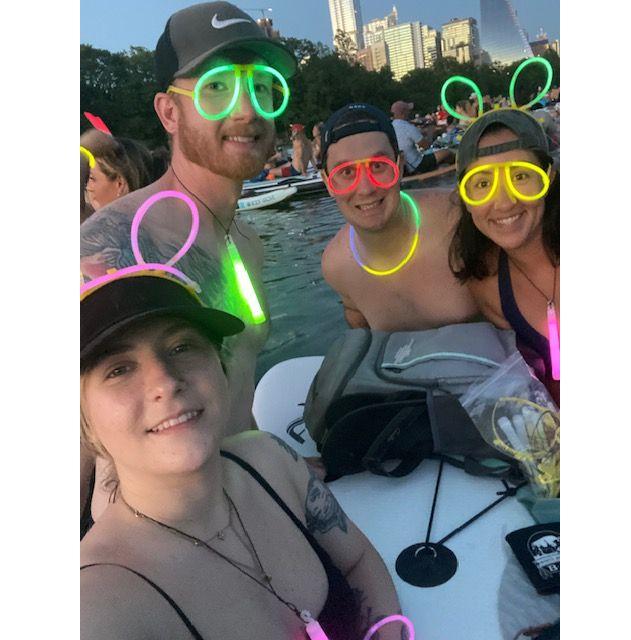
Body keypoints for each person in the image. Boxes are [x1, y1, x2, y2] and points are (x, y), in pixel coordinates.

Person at [80, 272, 405, 640]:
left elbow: (358, 561)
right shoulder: (97, 602)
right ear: (85, 420)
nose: (165, 382)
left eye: (181, 347)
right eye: (118, 370)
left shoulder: (269, 459)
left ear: (220, 367)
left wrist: (388, 630)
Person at [80, 1, 297, 519]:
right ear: (169, 112)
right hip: (160, 536)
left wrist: (275, 469)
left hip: (246, 497)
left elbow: (232, 390)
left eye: (261, 86)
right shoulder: (114, 243)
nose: (246, 109)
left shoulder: (245, 237)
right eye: (217, 87)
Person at [320, 103, 479, 331]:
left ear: (400, 166)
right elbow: (360, 330)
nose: (365, 188)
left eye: (378, 166)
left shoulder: (460, 219)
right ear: (327, 182)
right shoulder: (336, 265)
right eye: (346, 172)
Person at [448, 109, 560, 404]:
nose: (505, 201)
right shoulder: (489, 286)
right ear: (465, 197)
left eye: (521, 176)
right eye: (482, 184)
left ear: (549, 177)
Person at [390, 100, 454, 176]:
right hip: (417, 165)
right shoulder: (408, 128)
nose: (410, 112)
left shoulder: (390, 127)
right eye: (408, 110)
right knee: (447, 152)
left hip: (403, 166)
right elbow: (426, 146)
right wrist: (430, 134)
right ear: (404, 112)